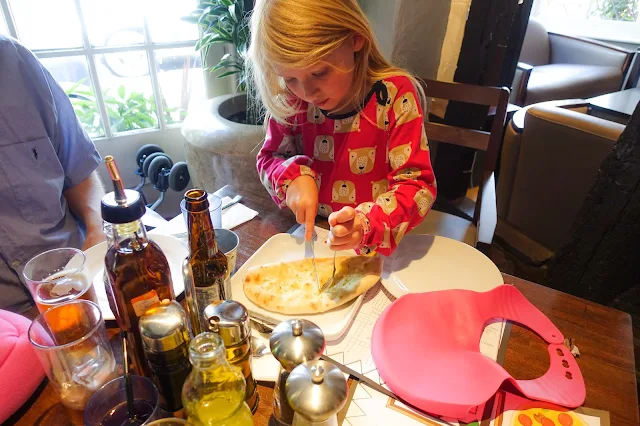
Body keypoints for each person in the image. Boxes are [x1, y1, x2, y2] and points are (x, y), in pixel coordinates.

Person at [251, 0, 437, 256]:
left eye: (319, 72)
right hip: (314, 241)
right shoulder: (292, 102)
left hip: (377, 248)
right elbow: (269, 158)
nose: (307, 93)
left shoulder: (394, 97)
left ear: (356, 39)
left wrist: (366, 223)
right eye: (290, 78)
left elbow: (417, 186)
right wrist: (292, 179)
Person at [0, 35, 106, 313]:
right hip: (7, 319)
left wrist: (97, 230)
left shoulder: (16, 62)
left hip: (75, 278)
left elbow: (79, 171)